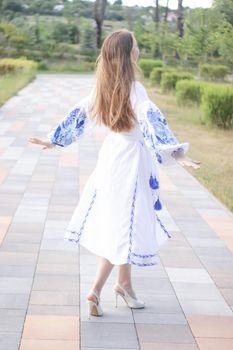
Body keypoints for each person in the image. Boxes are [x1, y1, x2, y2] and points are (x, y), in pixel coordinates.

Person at [28, 29, 201, 319]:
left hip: (111, 158)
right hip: (132, 161)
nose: (139, 49)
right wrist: (176, 152)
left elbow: (78, 116)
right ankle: (97, 289)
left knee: (122, 223)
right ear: (128, 54)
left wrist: (54, 140)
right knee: (123, 227)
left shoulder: (102, 87)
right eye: (136, 45)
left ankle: (124, 285)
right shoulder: (136, 90)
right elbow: (151, 121)